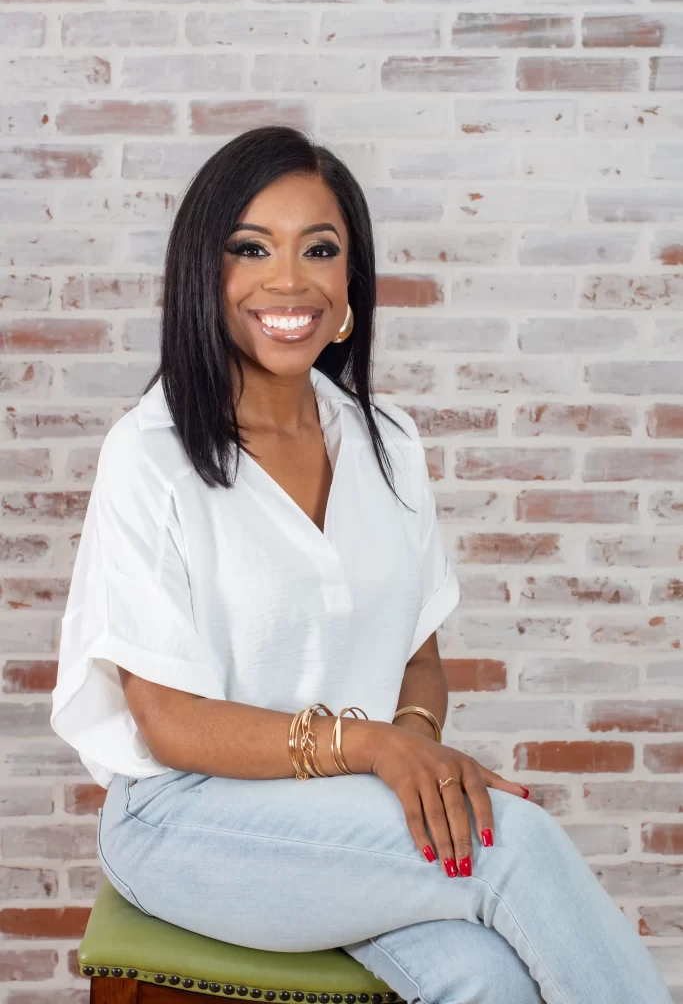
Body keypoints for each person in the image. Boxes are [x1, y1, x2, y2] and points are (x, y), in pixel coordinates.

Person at [50, 126, 674, 1004]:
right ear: (206, 273)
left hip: (342, 818)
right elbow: (165, 721)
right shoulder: (151, 454)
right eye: (250, 248)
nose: (288, 280)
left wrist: (416, 761)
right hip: (183, 818)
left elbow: (417, 654)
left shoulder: (388, 447)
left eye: (320, 249)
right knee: (513, 847)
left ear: (349, 284)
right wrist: (371, 750)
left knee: (483, 975)